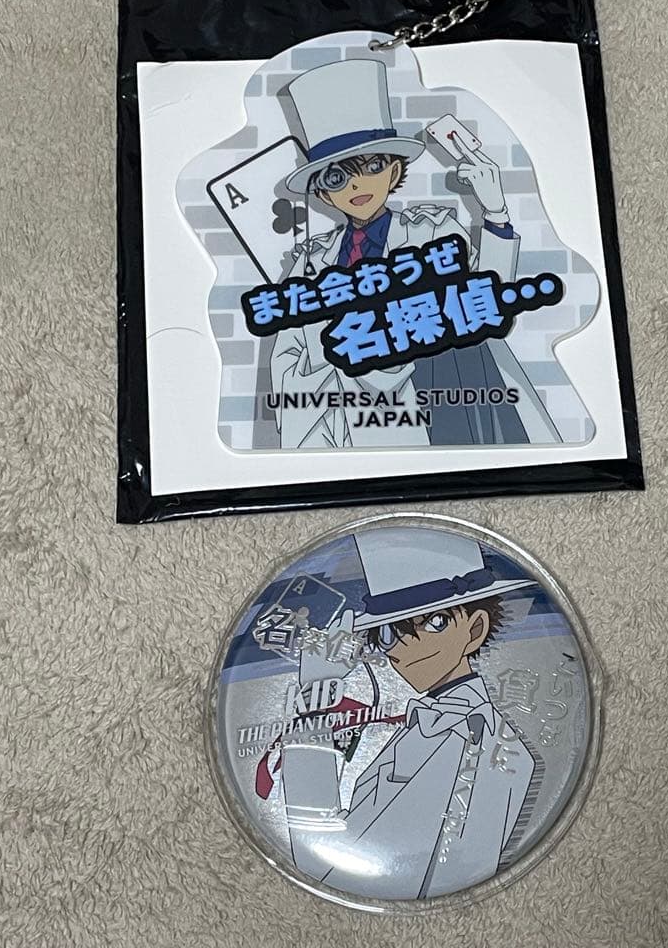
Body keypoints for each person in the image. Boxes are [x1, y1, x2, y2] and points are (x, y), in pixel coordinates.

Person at [270, 57, 561, 448]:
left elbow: (491, 298)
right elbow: (288, 360)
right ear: (322, 193)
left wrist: (495, 214)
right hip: (355, 433)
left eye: (373, 165)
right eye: (337, 177)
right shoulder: (311, 266)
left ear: (394, 171)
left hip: (447, 408)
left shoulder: (431, 233)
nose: (357, 184)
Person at [280, 528, 537, 900]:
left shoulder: (468, 737)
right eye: (389, 633)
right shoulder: (433, 728)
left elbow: (322, 864)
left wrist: (315, 698)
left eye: (434, 623)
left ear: (475, 629)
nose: (403, 648)